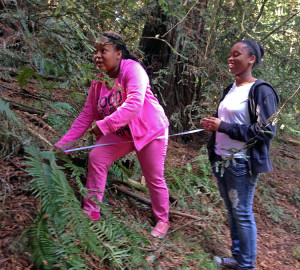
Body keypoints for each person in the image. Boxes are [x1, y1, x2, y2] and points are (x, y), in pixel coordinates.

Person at [55, 31, 170, 239]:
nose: (98, 55)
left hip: (150, 130)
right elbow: (86, 115)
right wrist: (63, 144)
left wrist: (105, 125)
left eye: (103, 51)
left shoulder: (133, 70)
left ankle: (163, 219)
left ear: (118, 53)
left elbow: (134, 103)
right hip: (122, 132)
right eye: (96, 51)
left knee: (153, 177)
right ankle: (92, 211)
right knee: (97, 157)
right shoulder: (98, 81)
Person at [202, 39, 279, 269]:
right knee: (232, 210)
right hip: (220, 158)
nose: (231, 58)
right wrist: (215, 126)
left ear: (251, 59)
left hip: (241, 163)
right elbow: (228, 122)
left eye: (237, 54)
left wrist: (223, 126)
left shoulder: (262, 91)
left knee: (242, 213)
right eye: (230, 54)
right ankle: (237, 258)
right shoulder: (231, 88)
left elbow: (267, 130)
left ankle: (246, 266)